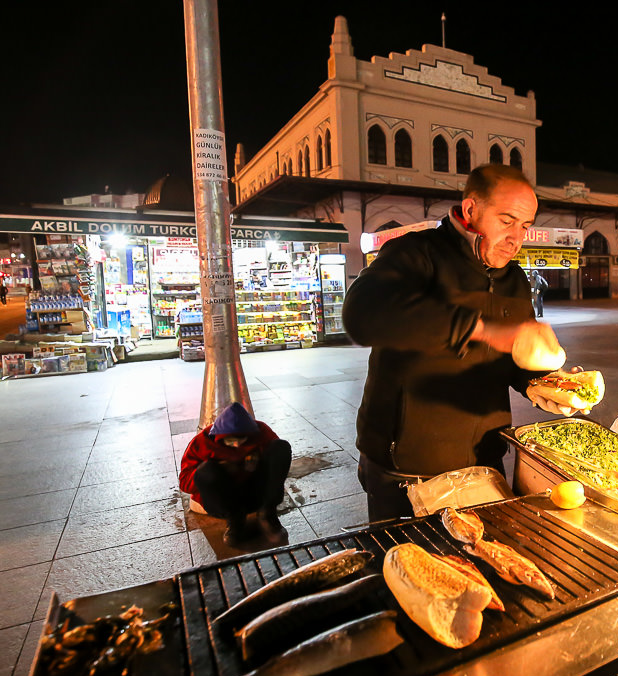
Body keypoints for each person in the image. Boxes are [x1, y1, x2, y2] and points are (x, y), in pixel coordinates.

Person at [343, 164, 579, 522]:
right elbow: (360, 316)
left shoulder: (513, 279)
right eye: (507, 220)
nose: (517, 237)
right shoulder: (414, 255)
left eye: (525, 225)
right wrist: (480, 328)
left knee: (482, 567)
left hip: (485, 459)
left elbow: (514, 355)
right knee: (402, 566)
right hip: (405, 466)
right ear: (471, 210)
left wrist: (540, 385)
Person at [179, 402, 291, 547]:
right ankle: (235, 522)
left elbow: (276, 464)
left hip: (256, 494)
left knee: (281, 447)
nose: (237, 445)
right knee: (206, 469)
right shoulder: (202, 441)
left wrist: (256, 464)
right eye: (231, 441)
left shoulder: (261, 431)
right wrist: (222, 468)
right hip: (224, 500)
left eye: (242, 440)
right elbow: (184, 482)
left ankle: (268, 515)